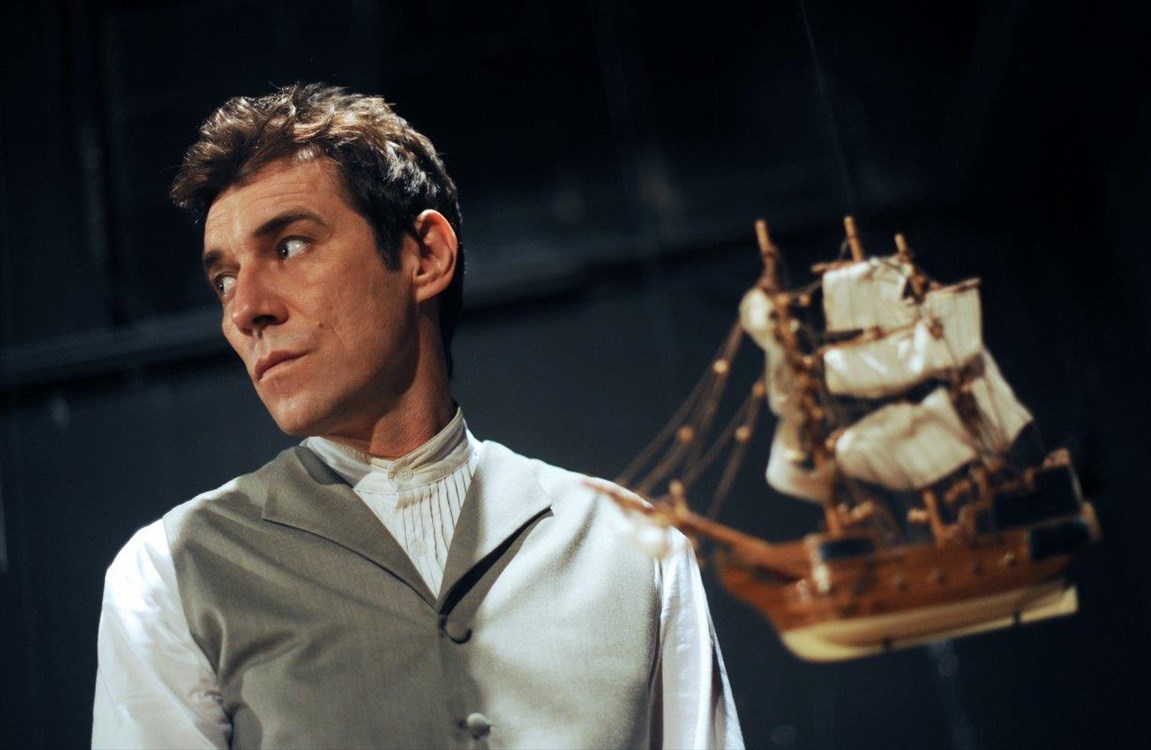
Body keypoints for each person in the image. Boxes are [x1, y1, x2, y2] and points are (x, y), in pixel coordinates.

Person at [91, 83, 743, 749]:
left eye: (289, 246)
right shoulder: (169, 573)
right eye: (224, 280)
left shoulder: (634, 546)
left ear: (425, 255)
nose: (244, 309)